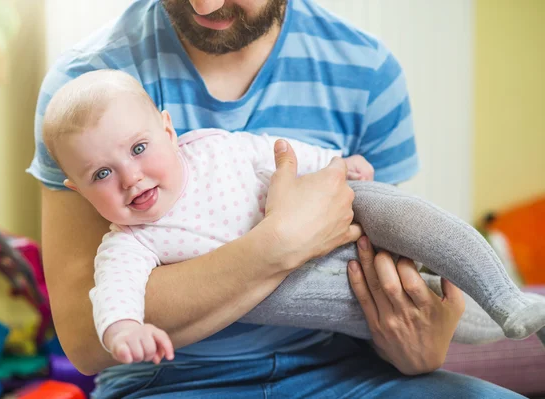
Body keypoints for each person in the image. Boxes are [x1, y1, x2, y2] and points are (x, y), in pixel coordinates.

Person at [29, 0, 528, 397]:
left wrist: (421, 349)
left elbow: (380, 260)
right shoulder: (82, 95)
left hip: (347, 366)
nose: (204, 4)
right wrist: (279, 245)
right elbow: (89, 341)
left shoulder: (366, 70)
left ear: (167, 129)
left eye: (140, 149)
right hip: (171, 380)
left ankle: (512, 305)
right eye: (103, 174)